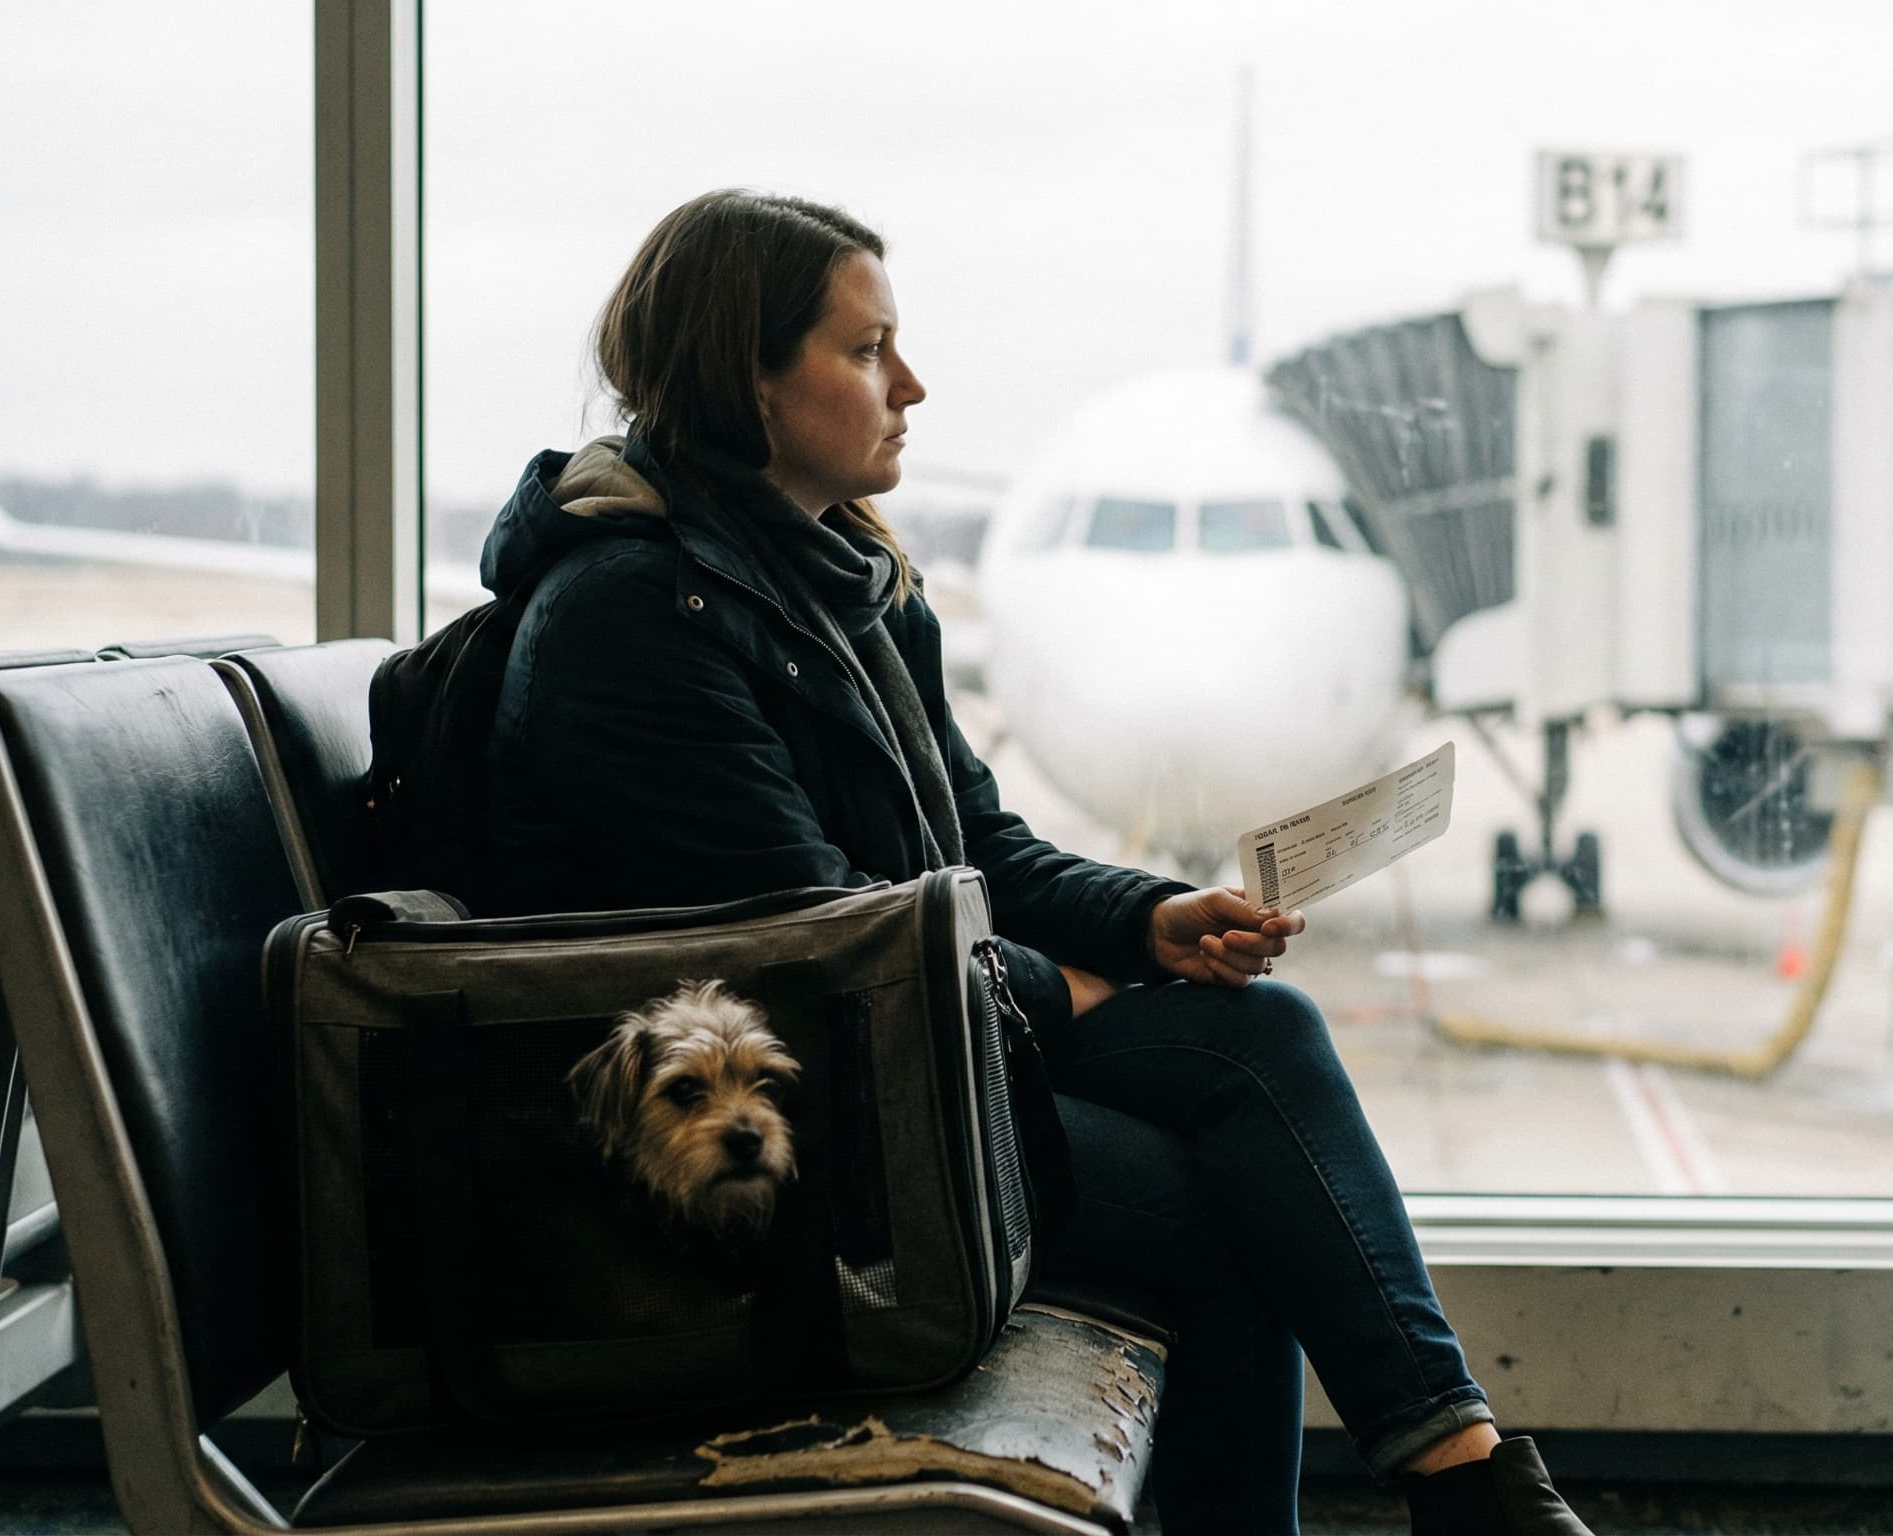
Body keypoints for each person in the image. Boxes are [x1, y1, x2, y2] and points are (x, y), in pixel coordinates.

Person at [466, 187, 1595, 1536]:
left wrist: (1151, 921)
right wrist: (1068, 993)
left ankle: (1466, 1479)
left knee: (1264, 1031)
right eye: (868, 350)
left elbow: (976, 846)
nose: (913, 385)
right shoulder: (630, 618)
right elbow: (820, 952)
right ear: (748, 382)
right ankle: (1473, 1501)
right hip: (794, 1118)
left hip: (919, 1055)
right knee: (1231, 1212)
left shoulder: (837, 580)